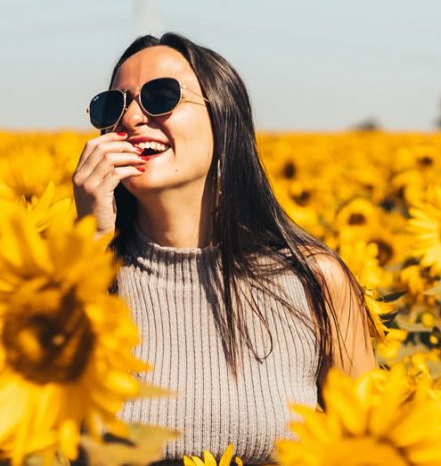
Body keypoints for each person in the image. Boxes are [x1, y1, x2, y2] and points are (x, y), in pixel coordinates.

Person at [72, 33, 374, 464]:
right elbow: (51, 436)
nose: (133, 117)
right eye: (112, 106)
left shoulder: (314, 282)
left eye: (161, 96)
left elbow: (373, 443)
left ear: (223, 118)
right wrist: (88, 248)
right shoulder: (68, 283)